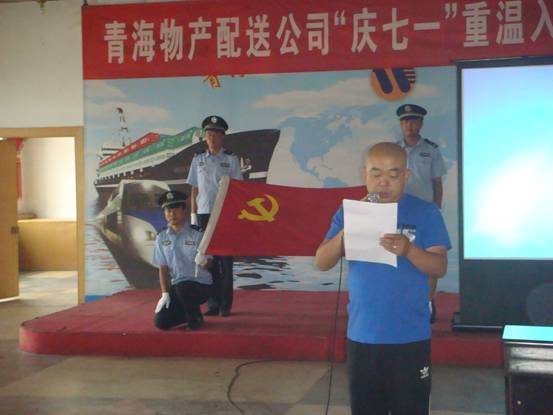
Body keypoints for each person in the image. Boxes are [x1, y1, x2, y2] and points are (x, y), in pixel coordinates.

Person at [315, 142, 451, 415]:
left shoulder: (426, 213)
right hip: (363, 335)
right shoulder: (349, 213)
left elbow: (439, 267)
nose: (384, 182)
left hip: (410, 335)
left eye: (393, 174)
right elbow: (322, 261)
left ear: (406, 176)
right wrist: (345, 233)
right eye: (376, 173)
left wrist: (409, 250)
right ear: (364, 174)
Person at [186, 115, 243, 317]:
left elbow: (238, 189)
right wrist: (193, 215)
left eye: (215, 134)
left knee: (226, 262)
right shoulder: (198, 159)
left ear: (222, 136)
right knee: (209, 261)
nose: (211, 137)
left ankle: (225, 305)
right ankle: (213, 303)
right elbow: (194, 189)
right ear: (205, 136)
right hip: (204, 214)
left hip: (225, 215)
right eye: (208, 134)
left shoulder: (231, 159)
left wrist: (235, 216)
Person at [396, 104, 447, 323]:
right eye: (405, 121)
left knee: (430, 260)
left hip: (424, 215)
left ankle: (427, 301)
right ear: (401, 124)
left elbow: (437, 183)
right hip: (399, 214)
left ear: (421, 124)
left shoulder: (431, 150)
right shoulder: (394, 150)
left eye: (414, 120)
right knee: (401, 260)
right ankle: (401, 303)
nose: (409, 125)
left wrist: (436, 209)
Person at [153, 190, 213, 330]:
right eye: (168, 211)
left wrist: (204, 261)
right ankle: (189, 313)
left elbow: (209, 265)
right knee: (161, 322)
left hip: (200, 285)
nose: (172, 214)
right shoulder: (161, 237)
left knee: (184, 286)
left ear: (184, 210)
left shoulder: (197, 234)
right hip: (178, 286)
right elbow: (163, 268)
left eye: (175, 210)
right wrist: (165, 293)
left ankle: (195, 319)